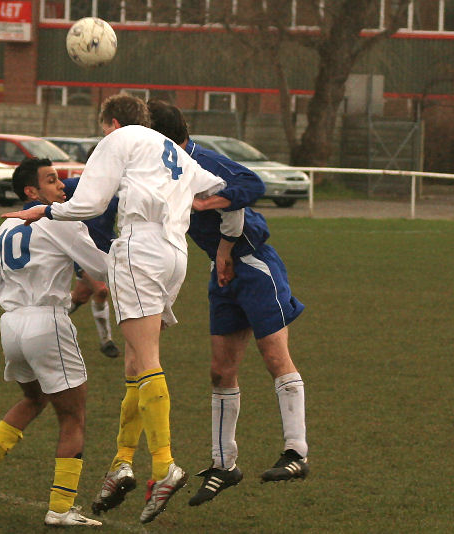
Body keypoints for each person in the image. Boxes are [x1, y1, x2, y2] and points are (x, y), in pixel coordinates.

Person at [2, 94, 228, 524]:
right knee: (134, 363)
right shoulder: (170, 149)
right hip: (175, 253)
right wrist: (192, 203)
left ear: (111, 122)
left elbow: (88, 205)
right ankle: (123, 461)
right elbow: (216, 186)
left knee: (146, 359)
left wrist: (45, 211)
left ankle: (164, 466)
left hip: (139, 247)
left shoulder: (118, 139)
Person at [147, 100, 309, 507]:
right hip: (222, 273)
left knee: (274, 356)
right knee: (221, 371)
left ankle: (296, 452)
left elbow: (248, 189)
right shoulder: (165, 166)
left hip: (254, 264)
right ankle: (224, 463)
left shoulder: (201, 159)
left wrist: (208, 208)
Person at [0, 157, 107, 527]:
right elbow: (102, 268)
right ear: (32, 191)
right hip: (48, 322)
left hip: (11, 326)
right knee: (73, 416)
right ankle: (60, 508)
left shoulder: (7, 225)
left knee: (33, 398)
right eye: (52, 181)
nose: (62, 187)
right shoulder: (59, 219)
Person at [62, 172, 120, 359]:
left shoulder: (115, 190)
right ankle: (106, 341)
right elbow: (51, 193)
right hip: (82, 252)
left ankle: (49, 319)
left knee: (80, 297)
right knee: (101, 291)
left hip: (108, 251)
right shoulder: (73, 186)